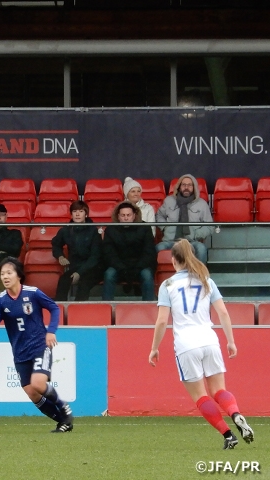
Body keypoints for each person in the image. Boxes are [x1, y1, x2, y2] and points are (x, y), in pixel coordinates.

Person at [148, 239, 254, 450]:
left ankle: (228, 434)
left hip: (187, 345)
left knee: (201, 396)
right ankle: (235, 413)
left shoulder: (168, 285)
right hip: (210, 340)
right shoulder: (206, 279)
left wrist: (154, 348)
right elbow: (223, 312)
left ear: (173, 260)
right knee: (219, 390)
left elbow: (162, 321)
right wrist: (230, 341)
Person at [0, 257, 74, 433]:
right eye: (2, 274)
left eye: (9, 273)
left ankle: (64, 407)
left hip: (39, 346)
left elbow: (54, 308)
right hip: (20, 352)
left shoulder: (33, 293)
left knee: (38, 383)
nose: (5, 277)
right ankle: (63, 421)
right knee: (31, 392)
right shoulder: (0, 300)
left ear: (19, 275)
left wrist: (51, 331)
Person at [102, 201, 157, 301]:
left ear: (134, 215)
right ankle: (106, 306)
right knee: (109, 274)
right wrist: (122, 268)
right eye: (123, 215)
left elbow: (149, 252)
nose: (126, 218)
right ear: (118, 216)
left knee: (147, 275)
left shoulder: (145, 228)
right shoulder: (110, 230)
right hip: (118, 266)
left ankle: (149, 306)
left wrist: (138, 267)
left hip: (140, 266)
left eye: (128, 215)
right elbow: (109, 254)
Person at [156, 174, 214, 264]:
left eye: (190, 185)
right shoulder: (169, 201)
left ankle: (200, 277)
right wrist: (165, 226)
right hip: (170, 241)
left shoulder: (202, 204)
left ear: (194, 187)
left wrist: (196, 234)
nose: (186, 187)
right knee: (158, 248)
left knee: (201, 249)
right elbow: (159, 215)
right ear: (179, 187)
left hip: (192, 242)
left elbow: (209, 226)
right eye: (183, 185)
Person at [51, 200, 103, 301]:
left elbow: (95, 257)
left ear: (86, 214)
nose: (77, 214)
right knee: (63, 280)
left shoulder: (94, 231)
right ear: (71, 215)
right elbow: (56, 244)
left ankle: (78, 311)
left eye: (81, 211)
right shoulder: (65, 230)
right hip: (75, 266)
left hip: (93, 268)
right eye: (75, 211)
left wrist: (79, 273)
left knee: (84, 282)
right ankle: (59, 310)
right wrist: (60, 256)